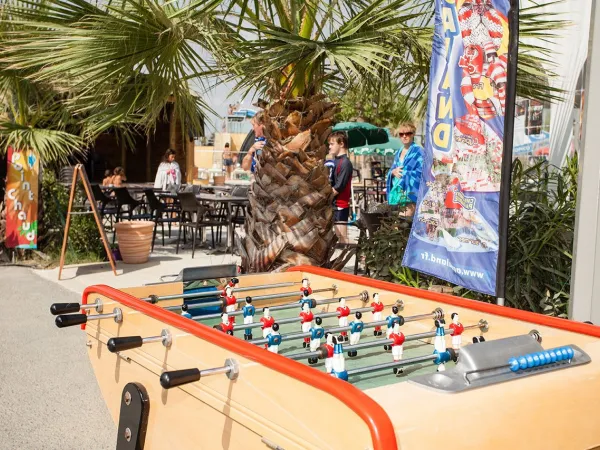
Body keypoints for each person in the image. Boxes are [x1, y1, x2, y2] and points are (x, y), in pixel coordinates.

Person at [386, 122, 424, 217]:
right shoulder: (399, 151)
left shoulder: (419, 151)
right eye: (401, 134)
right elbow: (392, 169)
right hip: (397, 193)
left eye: (408, 133)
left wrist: (405, 173)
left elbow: (422, 172)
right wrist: (393, 172)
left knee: (402, 223)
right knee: (397, 225)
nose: (404, 136)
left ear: (413, 134)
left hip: (410, 194)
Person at [328, 131, 353, 244]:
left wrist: (325, 197)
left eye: (332, 144)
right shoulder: (334, 161)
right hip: (333, 204)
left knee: (342, 238)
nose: (330, 146)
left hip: (340, 205)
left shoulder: (345, 163)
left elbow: (339, 187)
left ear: (341, 144)